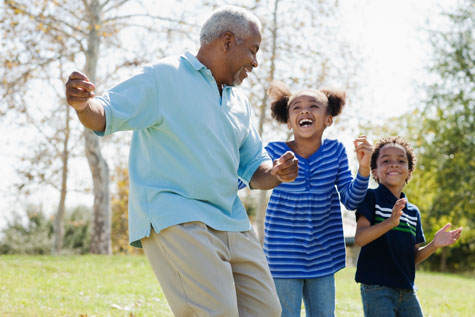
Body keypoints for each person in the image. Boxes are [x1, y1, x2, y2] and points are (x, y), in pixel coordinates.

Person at [65, 6, 300, 316]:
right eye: (253, 51)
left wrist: (278, 173)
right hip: (176, 215)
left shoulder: (237, 101)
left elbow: (256, 169)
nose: (256, 62)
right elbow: (104, 114)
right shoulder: (164, 76)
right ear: (227, 41)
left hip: (231, 220)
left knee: (266, 311)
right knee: (216, 312)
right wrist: (83, 105)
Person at [261, 81, 372, 316]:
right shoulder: (273, 150)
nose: (305, 111)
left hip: (323, 254)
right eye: (297, 108)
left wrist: (363, 168)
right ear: (289, 121)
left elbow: (351, 201)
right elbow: (248, 178)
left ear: (328, 119)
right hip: (283, 254)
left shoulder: (336, 151)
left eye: (313, 106)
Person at [354, 136, 463, 317]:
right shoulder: (370, 198)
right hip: (377, 288)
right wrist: (389, 223)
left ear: (409, 171)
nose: (394, 165)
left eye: (401, 161)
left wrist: (434, 244)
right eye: (386, 160)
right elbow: (360, 239)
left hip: (407, 290)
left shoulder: (413, 212)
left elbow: (411, 258)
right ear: (375, 171)